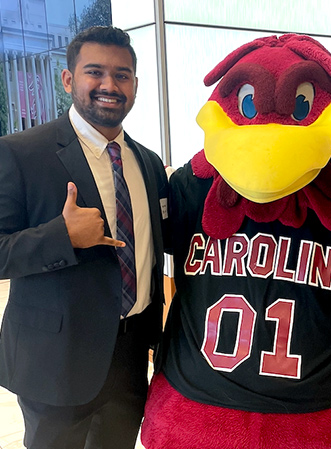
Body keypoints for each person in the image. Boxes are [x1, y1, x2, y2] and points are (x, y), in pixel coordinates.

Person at [0, 26, 169, 449]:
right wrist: (62, 236)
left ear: (135, 85)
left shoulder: (148, 163)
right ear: (69, 79)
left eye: (123, 75)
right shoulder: (20, 152)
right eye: (95, 72)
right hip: (54, 362)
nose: (109, 85)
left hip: (131, 360)